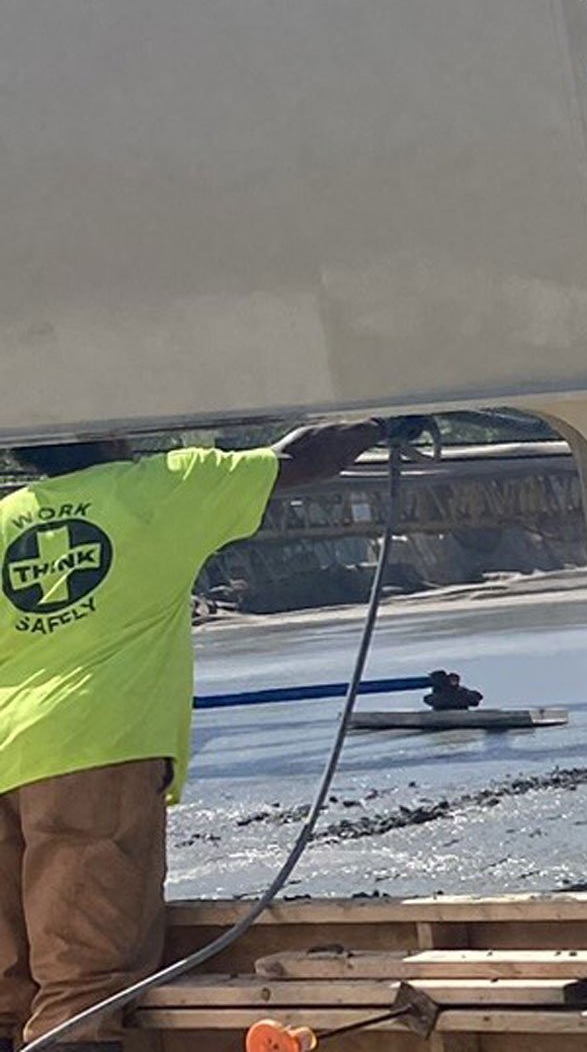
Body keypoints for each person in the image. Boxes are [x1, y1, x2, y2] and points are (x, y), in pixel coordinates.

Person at [1, 419, 383, 1049]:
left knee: (8, 981)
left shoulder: (7, 516)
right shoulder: (163, 487)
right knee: (87, 978)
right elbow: (296, 459)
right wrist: (379, 423)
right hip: (97, 744)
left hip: (8, 744)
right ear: (115, 432)